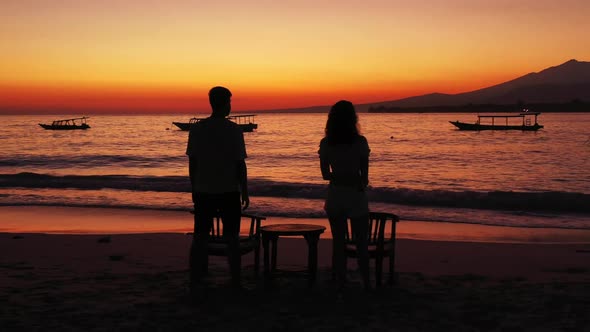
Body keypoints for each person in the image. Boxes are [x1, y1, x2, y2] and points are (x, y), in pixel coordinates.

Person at [186, 86, 249, 290]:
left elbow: (193, 163)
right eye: (230, 102)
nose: (231, 106)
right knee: (232, 238)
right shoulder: (234, 130)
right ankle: (235, 280)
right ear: (225, 103)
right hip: (229, 190)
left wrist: (193, 188)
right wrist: (245, 190)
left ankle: (195, 277)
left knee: (201, 236)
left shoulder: (197, 129)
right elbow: (240, 164)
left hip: (204, 190)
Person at [318, 100, 370, 291]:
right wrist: (354, 179)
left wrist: (338, 176)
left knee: (338, 243)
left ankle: (340, 282)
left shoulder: (326, 143)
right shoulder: (360, 142)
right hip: (356, 195)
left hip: (336, 195)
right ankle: (367, 284)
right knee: (361, 243)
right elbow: (364, 178)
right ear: (353, 119)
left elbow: (325, 174)